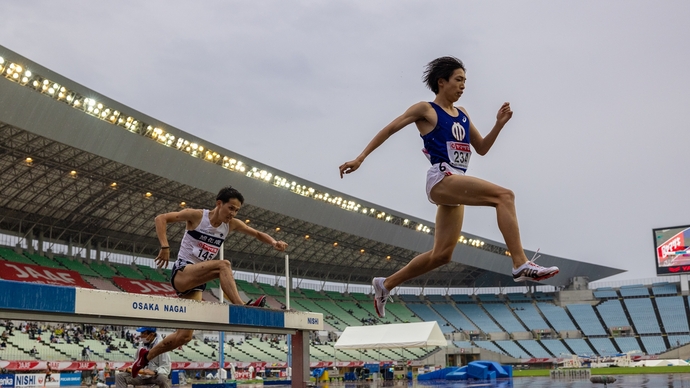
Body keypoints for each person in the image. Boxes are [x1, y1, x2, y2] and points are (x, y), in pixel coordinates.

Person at [339, 56, 559, 318]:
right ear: (441, 82)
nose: (463, 85)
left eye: (465, 81)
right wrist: (361, 157)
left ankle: (385, 284)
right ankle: (520, 263)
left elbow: (482, 149)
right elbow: (390, 129)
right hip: (441, 178)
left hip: (456, 183)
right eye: (458, 80)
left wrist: (499, 125)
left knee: (442, 255)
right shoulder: (426, 109)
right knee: (504, 196)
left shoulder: (463, 114)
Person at [131, 186, 288, 376]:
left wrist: (273, 242)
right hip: (182, 273)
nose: (233, 214)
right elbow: (161, 218)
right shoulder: (197, 216)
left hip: (197, 282)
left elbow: (255, 233)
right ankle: (240, 306)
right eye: (231, 208)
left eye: (237, 210)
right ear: (219, 203)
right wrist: (164, 246)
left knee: (184, 336)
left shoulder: (231, 225)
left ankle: (145, 357)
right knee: (223, 265)